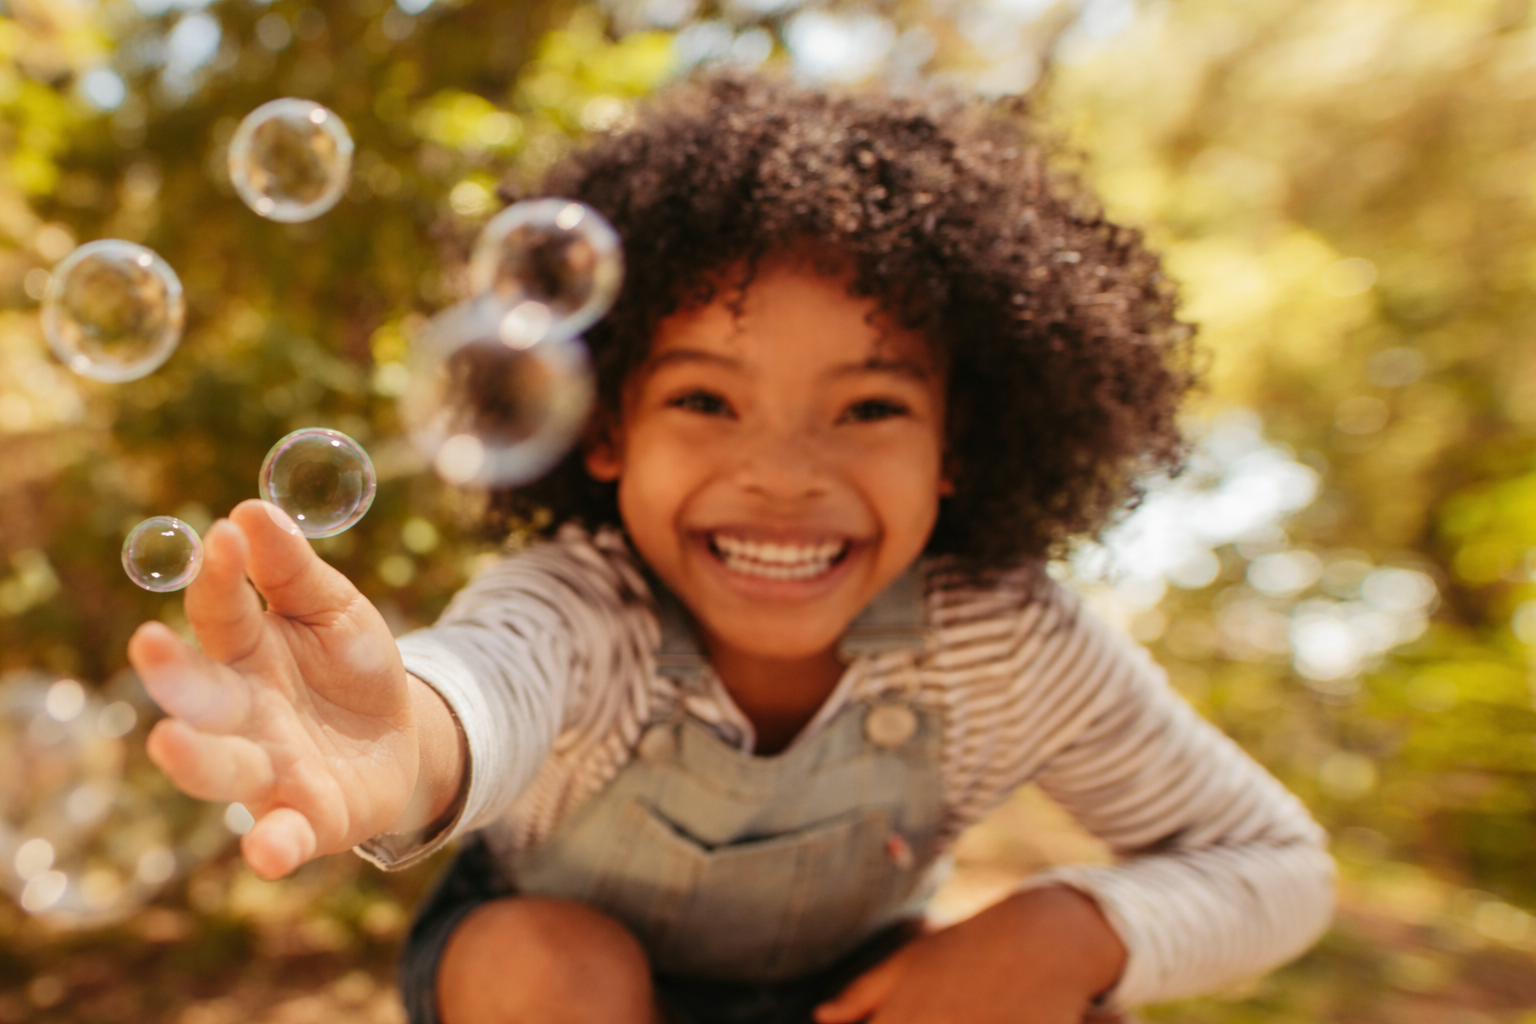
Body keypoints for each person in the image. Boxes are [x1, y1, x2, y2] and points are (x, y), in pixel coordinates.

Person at [126, 73, 1334, 1024]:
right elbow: (490, 675)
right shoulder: (581, 605)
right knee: (545, 958)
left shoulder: (1005, 639)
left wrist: (1071, 927)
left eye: (868, 409)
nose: (784, 475)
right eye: (707, 401)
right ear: (605, 428)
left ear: (960, 445)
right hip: (561, 995)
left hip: (854, 994)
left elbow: (1278, 862)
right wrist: (409, 736)